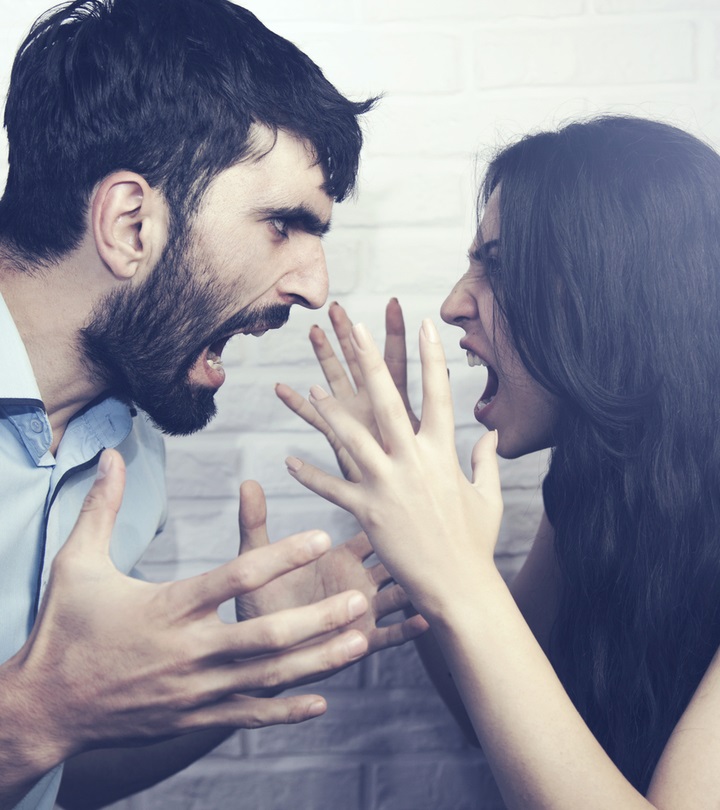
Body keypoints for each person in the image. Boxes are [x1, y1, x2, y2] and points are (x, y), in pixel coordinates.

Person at [0, 1, 426, 808]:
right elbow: (34, 730)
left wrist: (251, 661)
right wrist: (32, 714)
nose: (313, 286)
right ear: (131, 224)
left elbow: (51, 776)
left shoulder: (130, 452)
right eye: (282, 225)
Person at [282, 115, 720, 808]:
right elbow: (491, 715)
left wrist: (459, 573)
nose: (456, 303)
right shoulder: (598, 482)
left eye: (501, 266)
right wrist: (408, 525)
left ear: (621, 293)